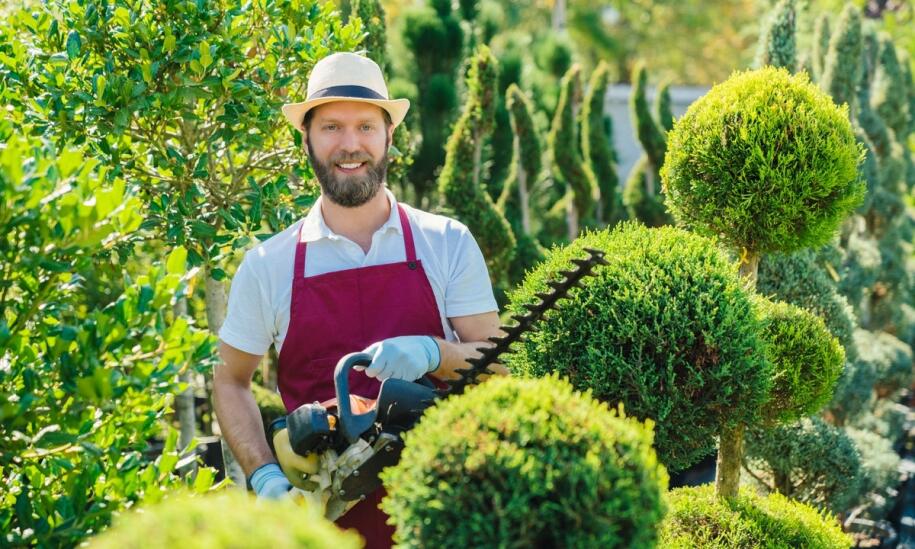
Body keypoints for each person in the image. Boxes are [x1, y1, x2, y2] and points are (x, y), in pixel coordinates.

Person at [213, 52, 505, 548]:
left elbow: (498, 367)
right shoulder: (269, 265)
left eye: (366, 126)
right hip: (322, 528)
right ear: (305, 138)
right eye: (331, 127)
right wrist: (264, 474)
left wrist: (436, 352)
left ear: (390, 135)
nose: (350, 146)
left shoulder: (446, 241)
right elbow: (231, 380)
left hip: (443, 518)